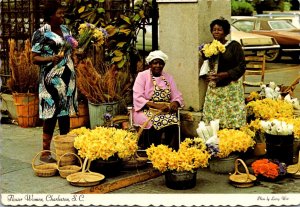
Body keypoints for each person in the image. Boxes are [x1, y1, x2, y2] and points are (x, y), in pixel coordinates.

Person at [31, 0, 77, 162]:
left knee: (65, 114)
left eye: (63, 13)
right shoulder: (41, 33)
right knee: (51, 114)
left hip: (67, 77)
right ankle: (45, 153)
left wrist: (78, 52)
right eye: (59, 13)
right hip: (51, 79)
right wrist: (52, 58)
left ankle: (65, 151)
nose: (62, 15)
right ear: (51, 16)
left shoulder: (66, 30)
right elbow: (34, 58)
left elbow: (71, 50)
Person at [132, 50, 184, 150]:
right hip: (146, 110)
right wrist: (156, 106)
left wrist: (175, 102)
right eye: (155, 63)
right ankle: (153, 150)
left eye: (161, 63)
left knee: (173, 121)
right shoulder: (142, 76)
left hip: (165, 111)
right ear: (150, 64)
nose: (158, 65)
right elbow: (138, 97)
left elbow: (176, 94)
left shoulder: (168, 77)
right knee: (154, 122)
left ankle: (169, 151)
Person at [201, 18, 246, 129]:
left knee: (230, 113)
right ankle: (214, 134)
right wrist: (206, 75)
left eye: (219, 30)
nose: (216, 32)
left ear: (226, 32)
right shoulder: (209, 46)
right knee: (214, 113)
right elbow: (207, 63)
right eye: (214, 30)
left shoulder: (234, 46)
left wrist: (225, 74)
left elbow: (242, 66)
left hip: (231, 86)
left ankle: (232, 137)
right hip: (214, 86)